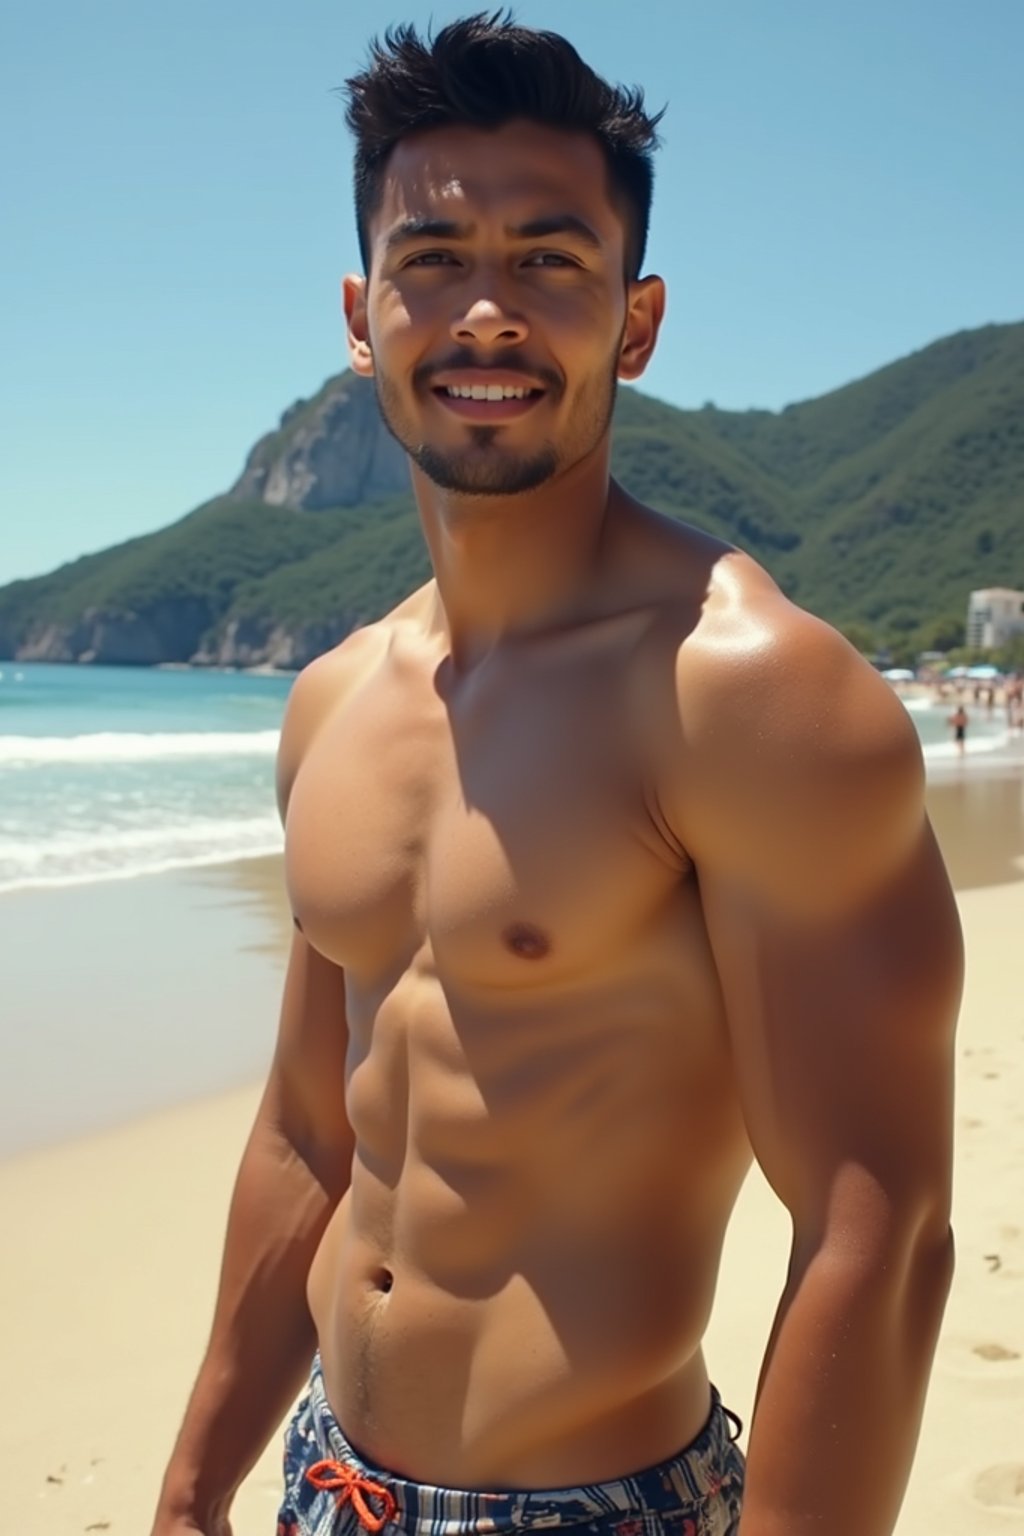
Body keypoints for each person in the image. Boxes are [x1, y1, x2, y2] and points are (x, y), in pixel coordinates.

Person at [151, 15, 962, 1536]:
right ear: (361, 308)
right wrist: (192, 1494)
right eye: (434, 255)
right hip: (326, 1482)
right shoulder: (330, 705)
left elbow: (881, 1226)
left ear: (636, 323)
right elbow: (309, 1136)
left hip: (601, 1508)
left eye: (548, 259)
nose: (486, 310)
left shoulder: (745, 694)